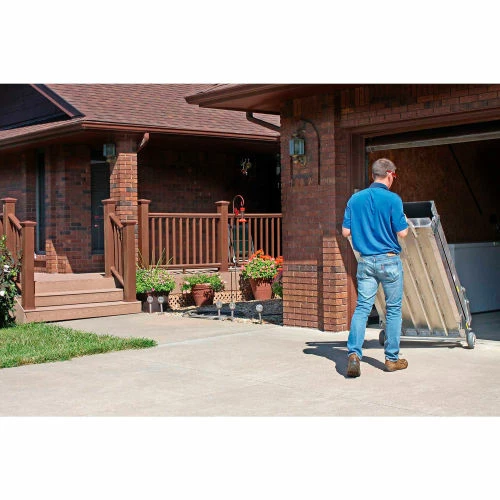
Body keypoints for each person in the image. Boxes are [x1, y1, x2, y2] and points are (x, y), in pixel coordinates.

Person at [342, 158, 409, 377]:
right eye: (394, 176)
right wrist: (404, 220)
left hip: (366, 261)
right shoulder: (393, 199)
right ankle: (391, 359)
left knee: (362, 307)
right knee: (393, 309)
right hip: (389, 261)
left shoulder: (355, 199)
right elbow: (403, 233)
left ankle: (354, 354)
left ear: (372, 176)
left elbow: (345, 232)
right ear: (389, 174)